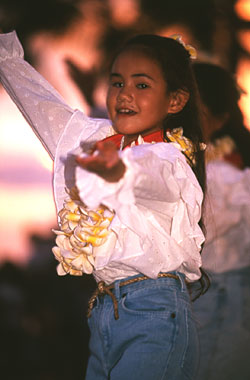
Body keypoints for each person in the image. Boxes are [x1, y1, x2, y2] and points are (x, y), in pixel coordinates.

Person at [0, 31, 207, 379]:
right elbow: (42, 106)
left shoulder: (168, 160)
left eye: (142, 85)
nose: (124, 94)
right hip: (104, 314)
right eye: (117, 83)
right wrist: (7, 60)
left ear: (175, 101)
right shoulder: (96, 140)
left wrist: (118, 172)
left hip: (155, 313)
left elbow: (152, 180)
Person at [192, 62, 250, 380]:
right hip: (205, 291)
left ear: (220, 118)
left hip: (221, 292)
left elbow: (204, 231)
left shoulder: (227, 171)